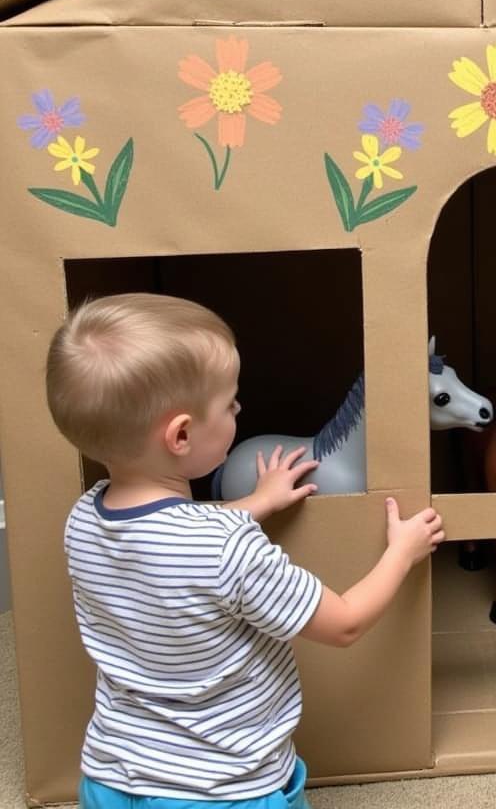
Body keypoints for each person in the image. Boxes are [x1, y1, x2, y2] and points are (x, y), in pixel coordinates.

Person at [47, 292, 444, 807]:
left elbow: (169, 537)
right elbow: (344, 622)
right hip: (226, 788)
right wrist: (402, 551)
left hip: (111, 776)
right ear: (182, 435)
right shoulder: (232, 550)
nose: (241, 409)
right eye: (230, 403)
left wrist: (255, 501)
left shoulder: (83, 519)